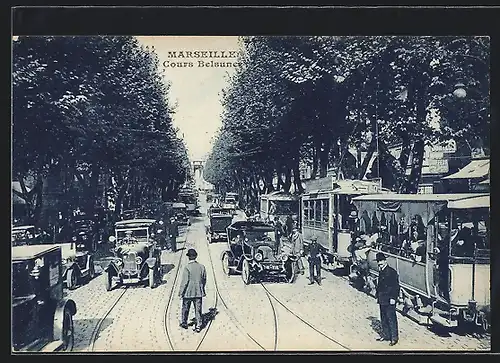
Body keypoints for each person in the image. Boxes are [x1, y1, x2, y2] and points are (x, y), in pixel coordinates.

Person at [179, 248, 207, 333]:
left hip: (188, 292)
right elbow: (204, 279)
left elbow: (185, 282)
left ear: (188, 257)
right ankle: (198, 325)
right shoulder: (202, 267)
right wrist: (201, 287)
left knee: (185, 308)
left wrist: (181, 292)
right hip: (198, 292)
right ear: (195, 257)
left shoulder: (187, 268)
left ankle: (184, 323)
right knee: (198, 310)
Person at [375, 252, 400, 346]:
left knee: (391, 318)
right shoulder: (381, 270)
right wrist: (377, 295)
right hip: (382, 298)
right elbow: (379, 285)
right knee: (383, 317)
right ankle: (386, 335)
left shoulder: (392, 272)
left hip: (390, 298)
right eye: (378, 262)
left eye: (381, 262)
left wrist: (393, 298)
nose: (379, 264)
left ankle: (394, 338)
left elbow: (396, 286)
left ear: (385, 261)